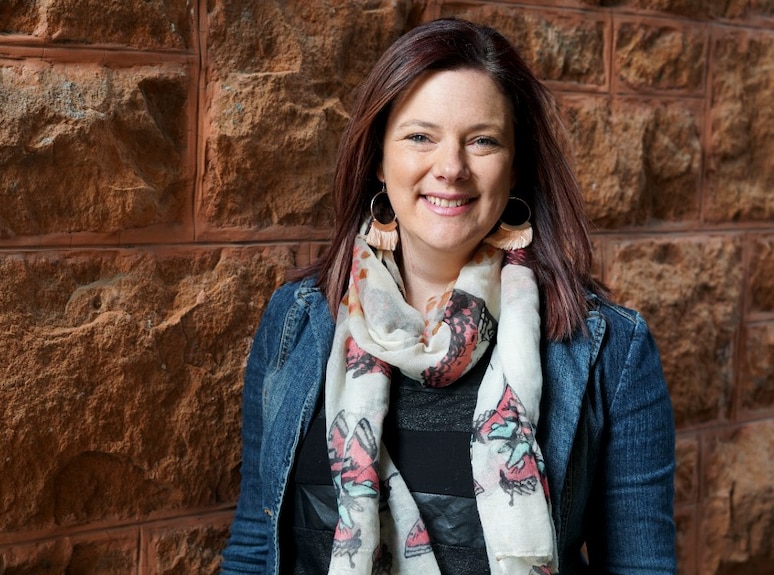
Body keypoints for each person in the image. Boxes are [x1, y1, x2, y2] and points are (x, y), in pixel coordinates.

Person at [221, 18, 676, 575]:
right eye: (420, 137)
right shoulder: (297, 321)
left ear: (516, 167)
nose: (452, 168)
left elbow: (641, 566)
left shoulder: (609, 349)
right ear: (378, 160)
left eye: (482, 140)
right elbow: (252, 547)